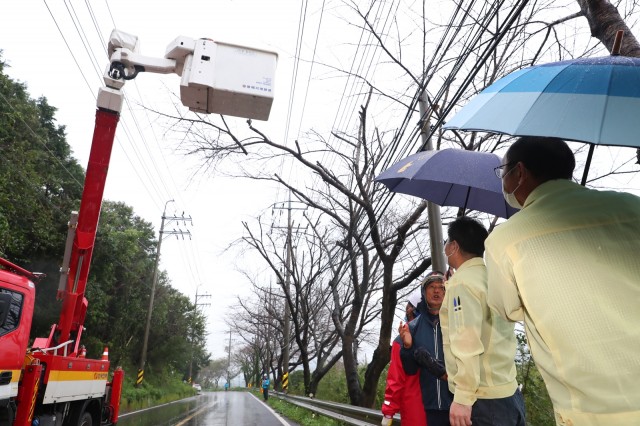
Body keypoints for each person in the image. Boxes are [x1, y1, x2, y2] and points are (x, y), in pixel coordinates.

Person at [486, 136, 640, 425]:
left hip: (592, 410)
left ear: (520, 172)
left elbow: (507, 309)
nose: (503, 181)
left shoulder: (504, 241)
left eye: (503, 172)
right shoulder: (631, 207)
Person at [440, 216, 525, 426]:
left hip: (484, 400)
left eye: (447, 242)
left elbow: (466, 343)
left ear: (454, 246)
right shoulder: (493, 278)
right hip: (508, 390)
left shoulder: (462, 284)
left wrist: (462, 398)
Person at [400, 271, 453, 426]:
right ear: (424, 292)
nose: (436, 290)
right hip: (427, 408)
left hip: (457, 404)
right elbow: (410, 370)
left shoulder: (457, 322)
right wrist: (408, 347)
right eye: (431, 286)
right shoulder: (413, 327)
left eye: (441, 287)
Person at [381, 291, 426, 426]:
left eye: (409, 306)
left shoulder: (400, 342)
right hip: (444, 409)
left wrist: (388, 412)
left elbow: (395, 381)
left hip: (414, 412)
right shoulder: (440, 334)